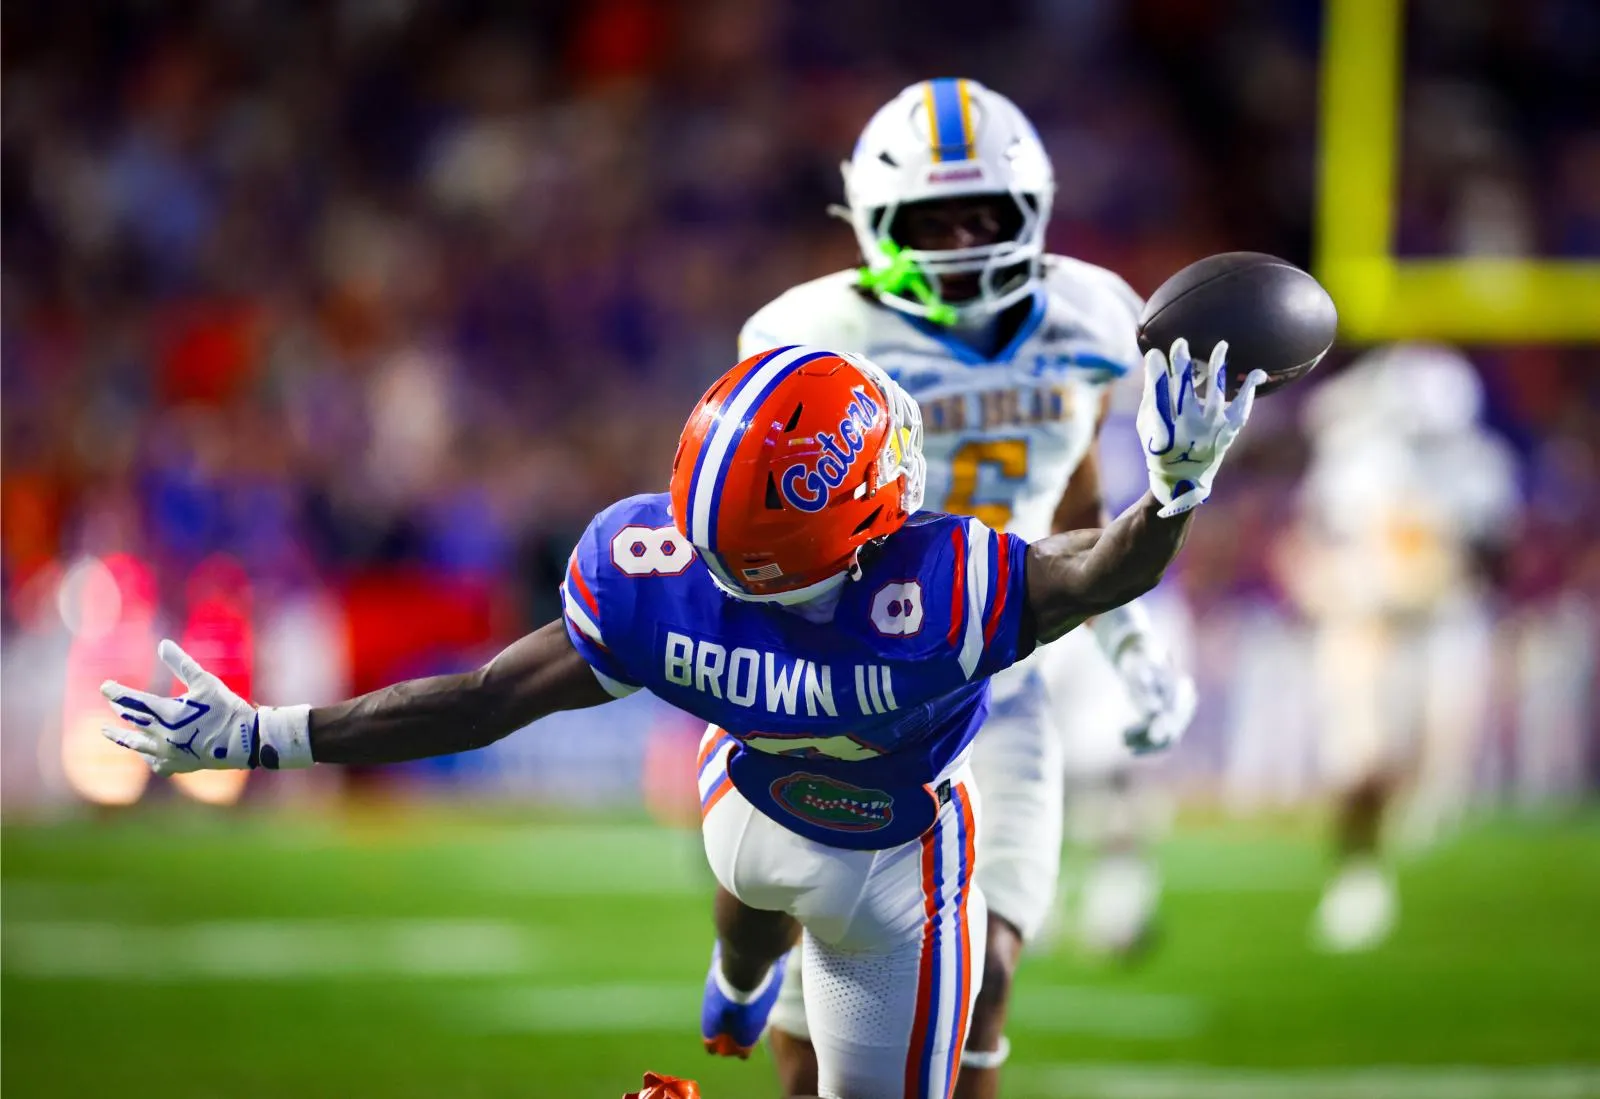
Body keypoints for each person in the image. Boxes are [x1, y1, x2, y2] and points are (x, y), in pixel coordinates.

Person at [102, 341, 1265, 1099]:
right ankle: (744, 973)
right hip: (899, 863)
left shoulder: (650, 577)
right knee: (798, 922)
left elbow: (484, 699)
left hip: (741, 802)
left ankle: (740, 974)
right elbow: (1098, 570)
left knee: (753, 887)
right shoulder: (945, 584)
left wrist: (262, 734)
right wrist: (1175, 491)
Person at [737, 78, 1194, 1094]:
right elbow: (755, 520)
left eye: (983, 214)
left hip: (1005, 678)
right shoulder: (809, 332)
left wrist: (1126, 636)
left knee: (987, 974)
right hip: (856, 690)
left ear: (1031, 209)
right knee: (823, 1026)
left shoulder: (1092, 316)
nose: (961, 239)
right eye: (932, 219)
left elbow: (1076, 501)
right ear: (875, 220)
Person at [1279, 343, 1519, 952]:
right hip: (1367, 625)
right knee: (1361, 759)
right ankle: (1358, 876)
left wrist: (1441, 572)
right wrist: (1328, 587)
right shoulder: (1355, 460)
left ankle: (1386, 853)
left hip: (1442, 627)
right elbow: (1309, 546)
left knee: (1436, 769)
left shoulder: (1478, 465)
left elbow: (1491, 561)